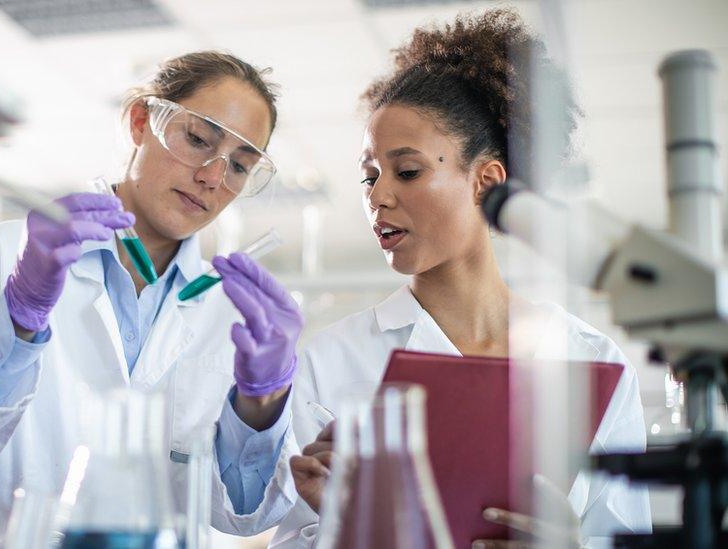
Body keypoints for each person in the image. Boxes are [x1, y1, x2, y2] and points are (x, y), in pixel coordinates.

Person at [0, 51, 304, 543]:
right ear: (141, 121)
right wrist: (17, 317)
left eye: (240, 166)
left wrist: (261, 406)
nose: (212, 176)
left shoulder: (234, 314)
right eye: (199, 139)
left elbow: (243, 514)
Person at [269, 9, 651, 549]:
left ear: (485, 181)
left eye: (407, 171)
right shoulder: (332, 363)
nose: (377, 197)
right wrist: (351, 528)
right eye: (369, 176)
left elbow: (625, 535)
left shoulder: (595, 362)